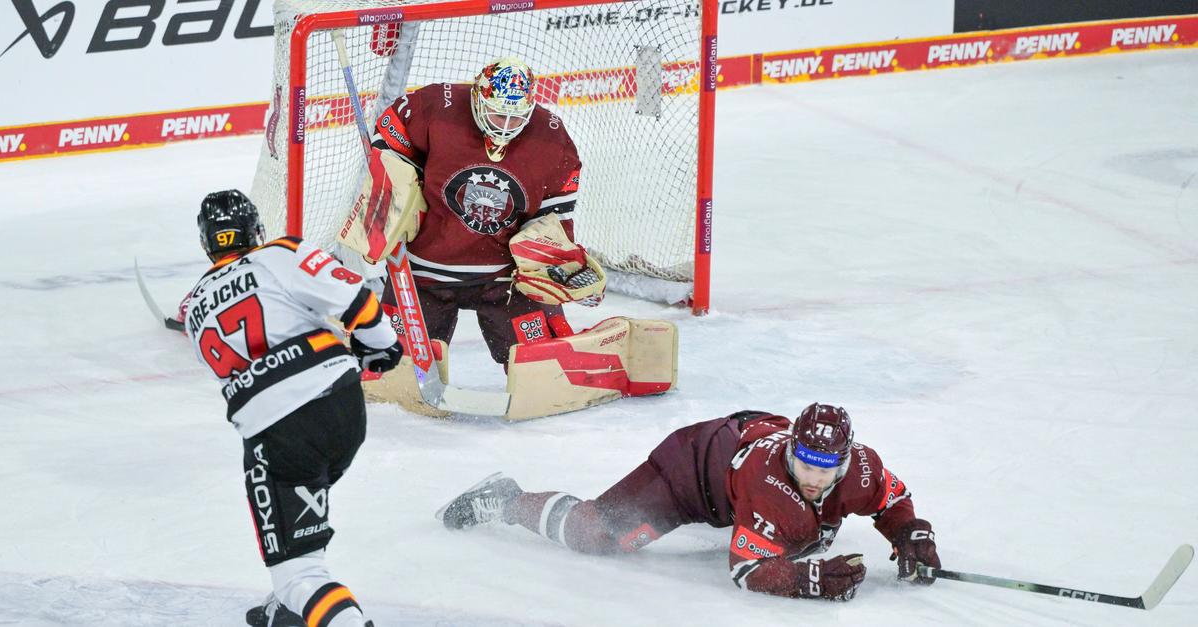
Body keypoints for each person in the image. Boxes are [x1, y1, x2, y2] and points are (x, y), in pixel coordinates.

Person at [438, 403, 941, 601]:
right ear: (790, 451)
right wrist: (809, 580)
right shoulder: (770, 483)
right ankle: (504, 500)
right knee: (599, 535)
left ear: (846, 461)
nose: (813, 477)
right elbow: (747, 569)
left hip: (742, 439)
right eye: (803, 464)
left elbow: (893, 499)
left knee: (801, 531)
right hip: (690, 469)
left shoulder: (862, 465)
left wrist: (910, 531)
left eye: (824, 468)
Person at [184, 189, 403, 626]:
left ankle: (299, 594)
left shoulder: (193, 309)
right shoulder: (279, 253)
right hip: (341, 410)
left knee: (297, 573)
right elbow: (356, 300)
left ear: (208, 243)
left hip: (278, 434)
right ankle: (286, 608)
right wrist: (381, 346)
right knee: (300, 523)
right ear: (254, 230)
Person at [362, 55, 605, 367]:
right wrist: (393, 187)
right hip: (423, 272)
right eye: (496, 114)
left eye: (514, 119)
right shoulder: (438, 108)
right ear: (478, 96)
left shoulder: (550, 138)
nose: (503, 127)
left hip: (505, 278)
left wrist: (557, 262)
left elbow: (555, 217)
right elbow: (391, 133)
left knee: (539, 365)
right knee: (393, 364)